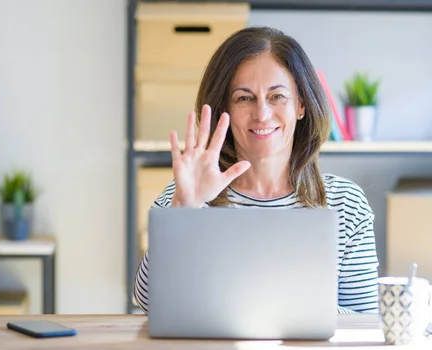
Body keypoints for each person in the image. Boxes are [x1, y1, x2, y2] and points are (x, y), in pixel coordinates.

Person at [134, 26, 379, 315]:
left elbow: (365, 322)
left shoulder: (345, 202)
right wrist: (184, 210)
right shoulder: (188, 192)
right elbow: (148, 301)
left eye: (277, 96)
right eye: (244, 98)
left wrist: (285, 304)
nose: (261, 113)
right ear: (223, 108)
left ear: (301, 105)